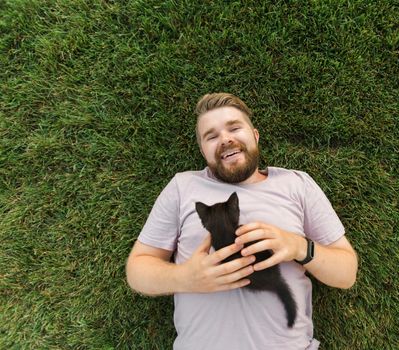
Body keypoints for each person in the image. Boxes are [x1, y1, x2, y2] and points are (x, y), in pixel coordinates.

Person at [126, 93, 358, 350]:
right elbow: (137, 270)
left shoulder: (296, 184)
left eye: (235, 127)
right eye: (211, 136)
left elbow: (346, 274)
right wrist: (184, 278)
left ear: (255, 135)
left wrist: (298, 246)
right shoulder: (183, 186)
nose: (225, 139)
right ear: (203, 151)